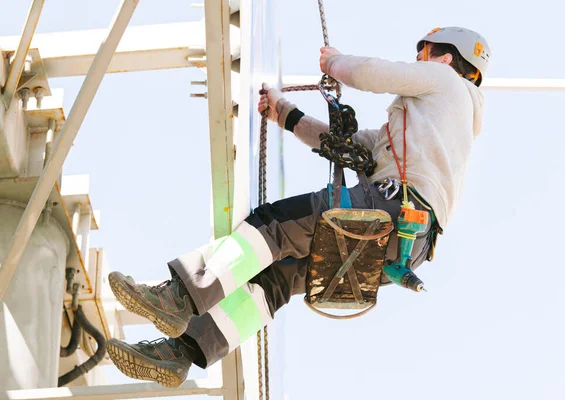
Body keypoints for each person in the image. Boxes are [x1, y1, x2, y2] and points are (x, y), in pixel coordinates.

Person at [106, 26, 491, 388]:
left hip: (392, 208)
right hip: (403, 250)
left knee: (273, 225)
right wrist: (285, 115)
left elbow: (376, 73)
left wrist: (334, 63)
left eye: (425, 54)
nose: (420, 61)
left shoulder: (445, 82)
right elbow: (349, 145)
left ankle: (179, 297)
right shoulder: (429, 134)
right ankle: (183, 352)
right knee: (276, 277)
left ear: (445, 60)